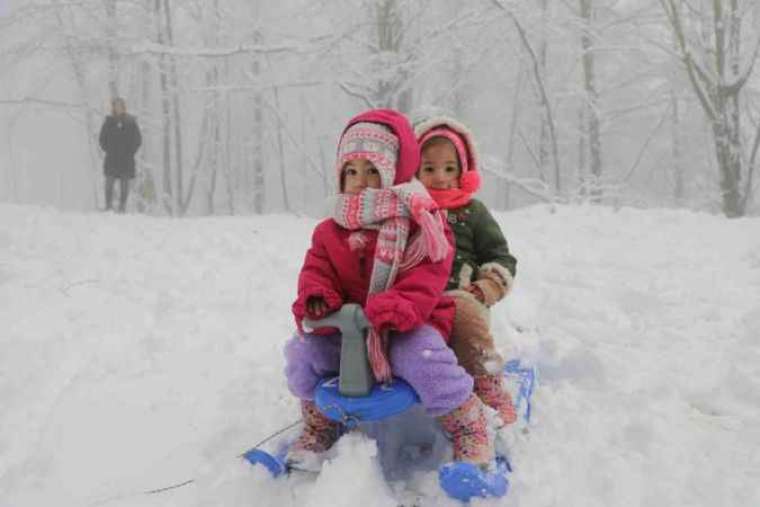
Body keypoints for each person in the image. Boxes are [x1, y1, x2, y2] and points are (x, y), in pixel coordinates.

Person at [283, 109, 494, 472]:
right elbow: (316, 269)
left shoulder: (420, 222)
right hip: (348, 328)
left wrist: (399, 304)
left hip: (404, 325)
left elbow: (430, 273)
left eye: (372, 171)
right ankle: (320, 423)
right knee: (304, 354)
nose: (361, 181)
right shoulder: (330, 230)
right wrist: (319, 296)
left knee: (424, 360)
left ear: (394, 172)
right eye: (352, 171)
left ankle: (467, 421)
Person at [415, 116, 519, 428]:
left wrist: (486, 286)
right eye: (429, 169)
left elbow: (500, 256)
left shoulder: (473, 212)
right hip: (418, 300)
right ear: (414, 172)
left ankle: (486, 382)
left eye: (449, 168)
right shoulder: (410, 210)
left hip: (462, 301)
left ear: (463, 171)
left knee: (463, 312)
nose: (440, 177)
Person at [98, 97, 142, 213]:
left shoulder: (131, 122)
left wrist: (130, 151)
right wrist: (108, 149)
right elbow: (102, 139)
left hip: (126, 159)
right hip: (111, 159)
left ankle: (122, 207)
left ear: (123, 107)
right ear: (113, 107)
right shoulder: (108, 122)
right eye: (116, 105)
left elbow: (137, 140)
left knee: (124, 184)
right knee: (109, 183)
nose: (118, 108)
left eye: (120, 105)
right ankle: (108, 206)